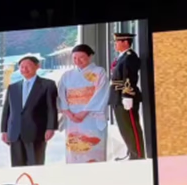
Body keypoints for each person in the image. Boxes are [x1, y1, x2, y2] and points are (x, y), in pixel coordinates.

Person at [0, 56, 58, 166]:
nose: (24, 69)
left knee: (35, 163)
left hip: (36, 131)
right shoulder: (13, 87)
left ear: (37, 66)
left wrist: (51, 128)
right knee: (17, 166)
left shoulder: (47, 85)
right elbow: (7, 110)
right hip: (15, 132)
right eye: (22, 67)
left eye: (28, 66)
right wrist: (4, 130)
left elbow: (52, 108)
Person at [57, 44, 109, 164]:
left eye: (81, 57)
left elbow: (101, 93)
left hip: (91, 115)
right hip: (72, 116)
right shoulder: (67, 75)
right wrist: (68, 113)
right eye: (74, 58)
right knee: (74, 145)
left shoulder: (99, 72)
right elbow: (61, 95)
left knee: (92, 145)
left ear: (90, 56)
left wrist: (84, 112)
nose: (77, 61)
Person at [110, 32, 145, 161]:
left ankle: (138, 154)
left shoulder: (130, 57)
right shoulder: (122, 57)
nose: (115, 44)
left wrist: (127, 95)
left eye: (117, 41)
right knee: (124, 127)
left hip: (125, 96)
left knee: (132, 126)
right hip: (117, 96)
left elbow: (130, 77)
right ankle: (132, 152)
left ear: (125, 42)